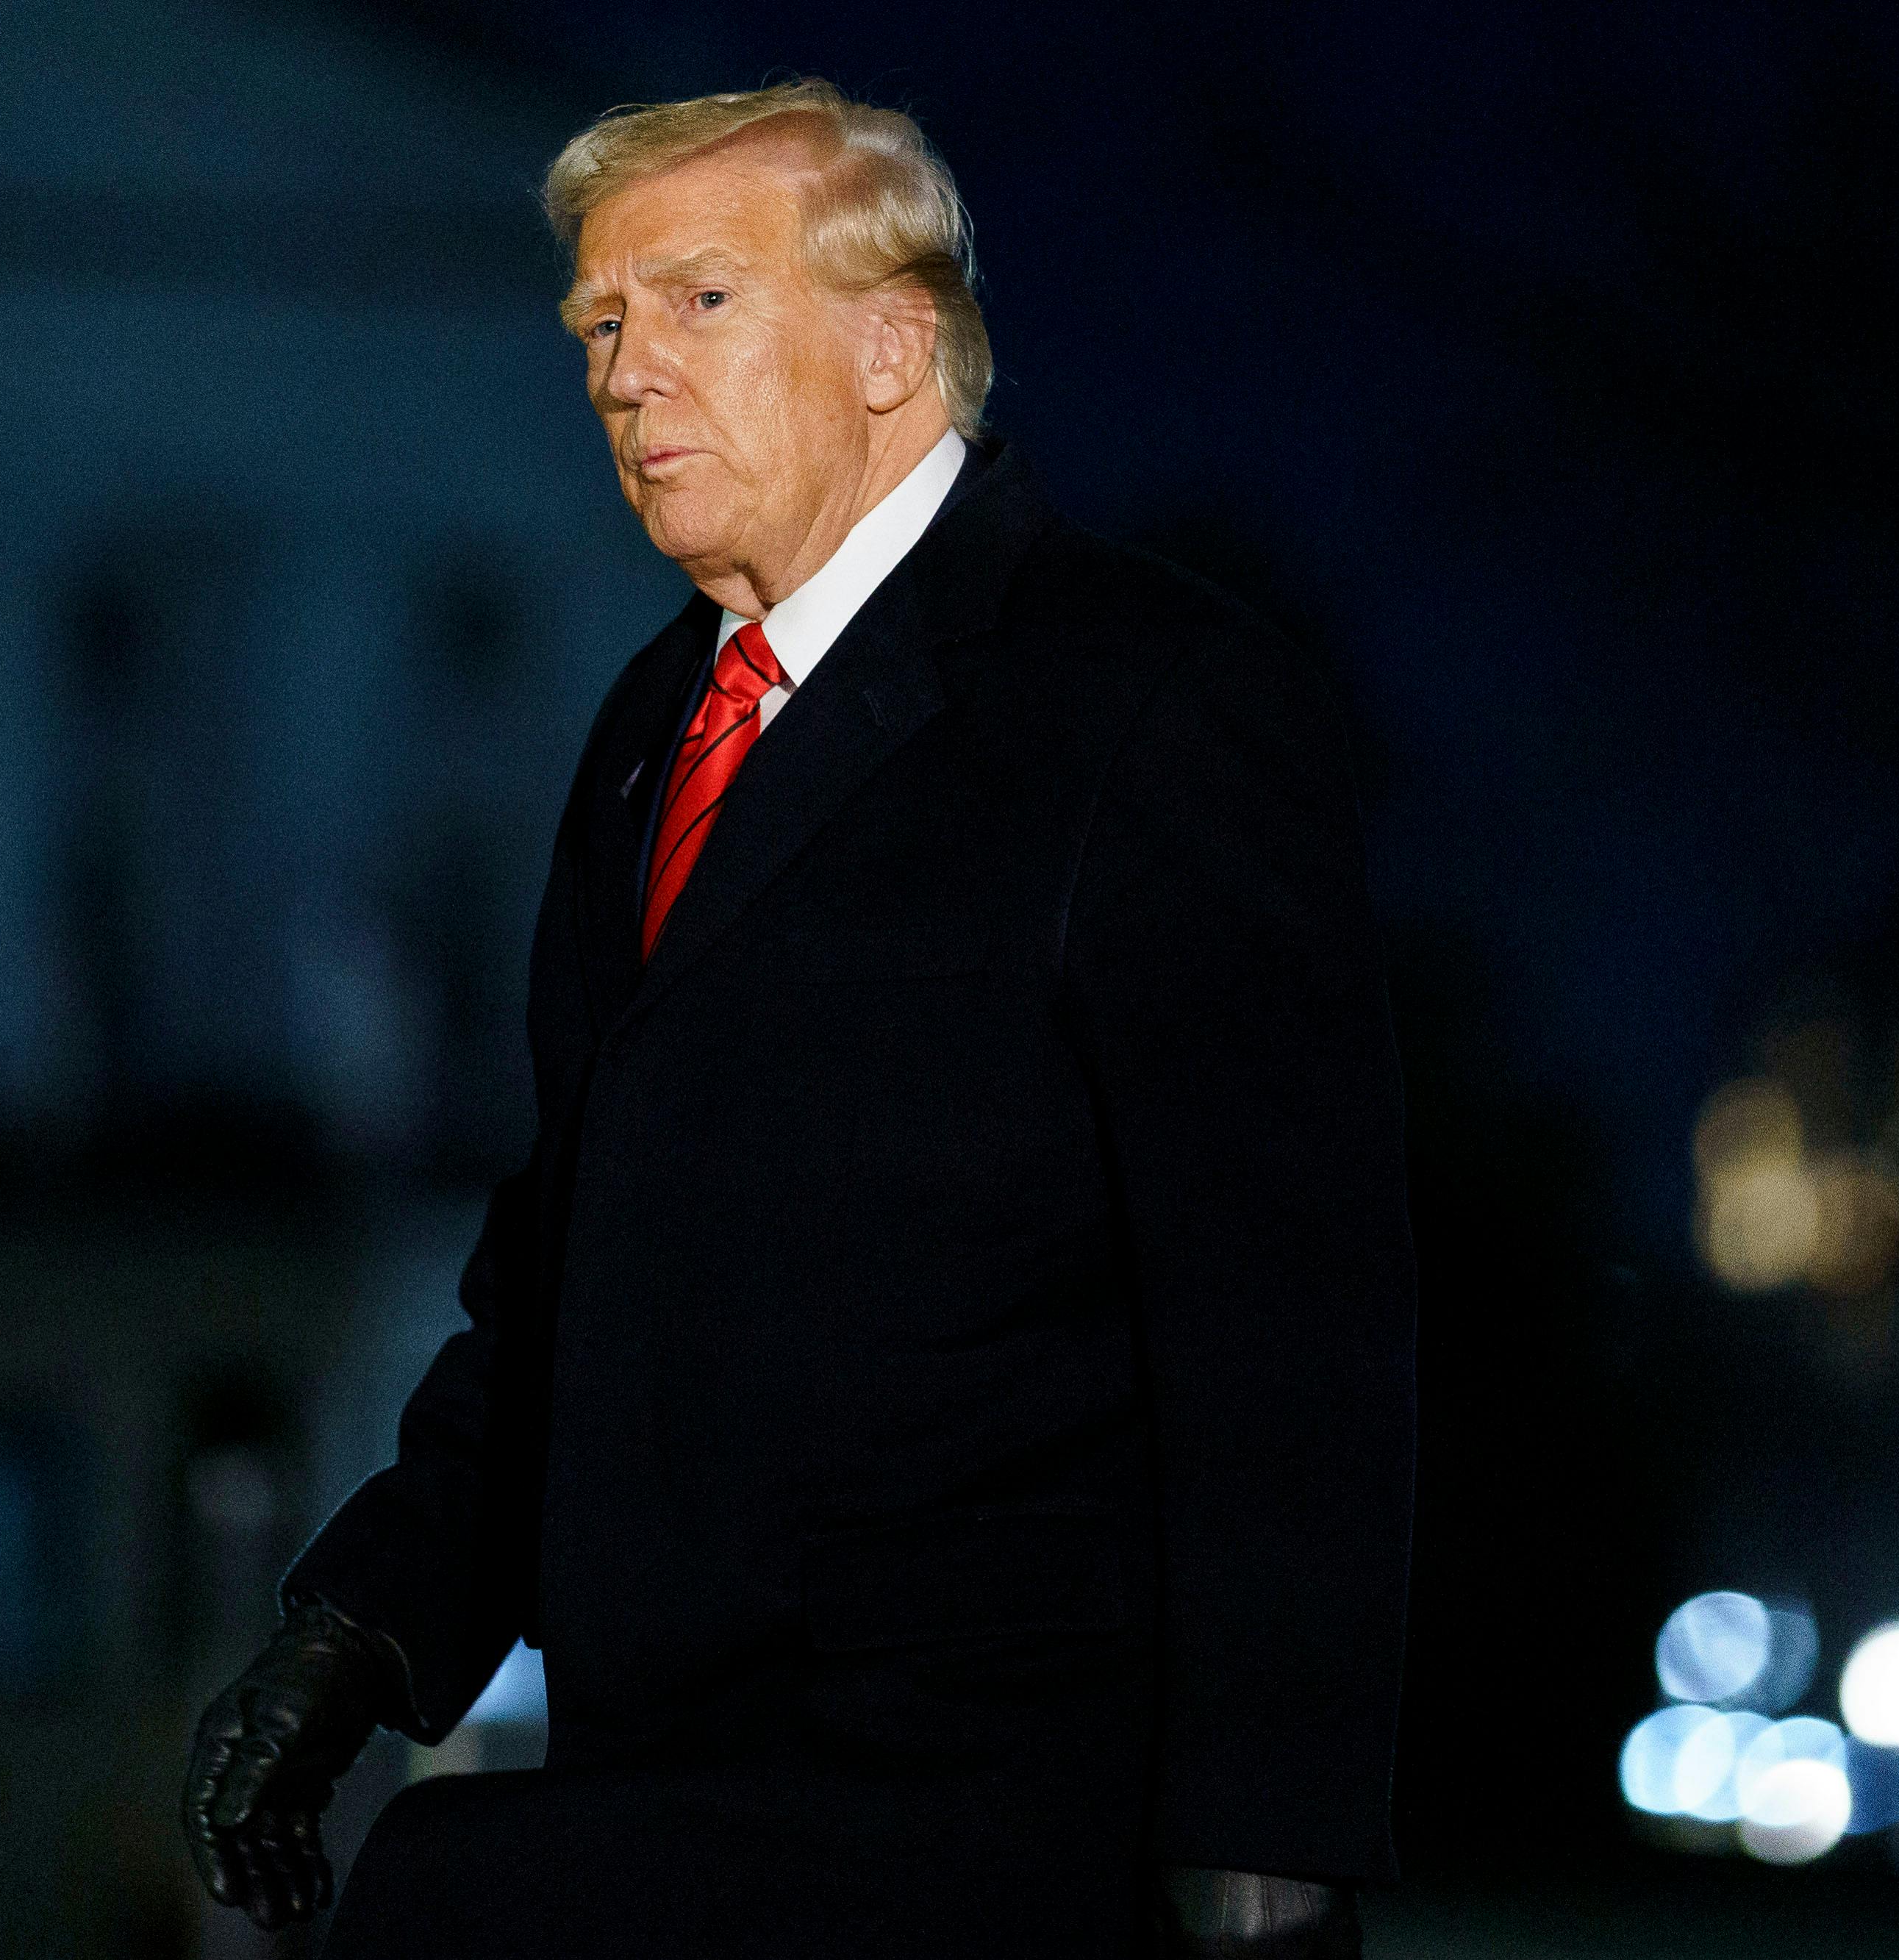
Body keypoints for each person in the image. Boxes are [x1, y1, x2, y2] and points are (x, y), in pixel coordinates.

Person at [181, 78, 1416, 1959]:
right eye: (597, 321)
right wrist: (355, 1631)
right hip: (670, 1768)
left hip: (994, 1817)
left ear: (891, 345)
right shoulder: (642, 739)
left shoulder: (1143, 698)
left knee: (448, 1915)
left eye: (695, 303)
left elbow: (1288, 1327)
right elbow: (566, 1279)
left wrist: (1265, 1840)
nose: (619, 371)